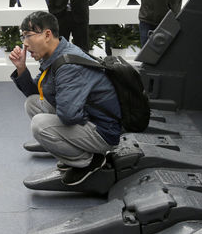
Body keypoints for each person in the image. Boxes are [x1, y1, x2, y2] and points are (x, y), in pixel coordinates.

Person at [9, 11, 121, 185]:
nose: (24, 44)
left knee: (40, 125)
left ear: (47, 35)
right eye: (23, 36)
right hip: (91, 118)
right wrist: (21, 68)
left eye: (28, 36)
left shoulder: (68, 65)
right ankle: (64, 144)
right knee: (32, 103)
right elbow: (35, 92)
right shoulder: (56, 54)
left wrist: (57, 125)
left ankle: (87, 161)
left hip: (104, 132)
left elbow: (69, 115)